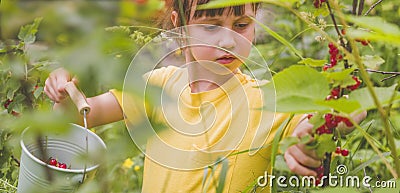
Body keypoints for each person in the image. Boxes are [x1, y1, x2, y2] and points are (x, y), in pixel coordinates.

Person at [44, 0, 366, 192]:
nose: (229, 41)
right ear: (178, 25)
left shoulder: (270, 100)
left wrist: (314, 133)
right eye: (211, 27)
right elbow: (80, 116)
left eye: (241, 24)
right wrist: (63, 93)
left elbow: (350, 111)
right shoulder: (155, 87)